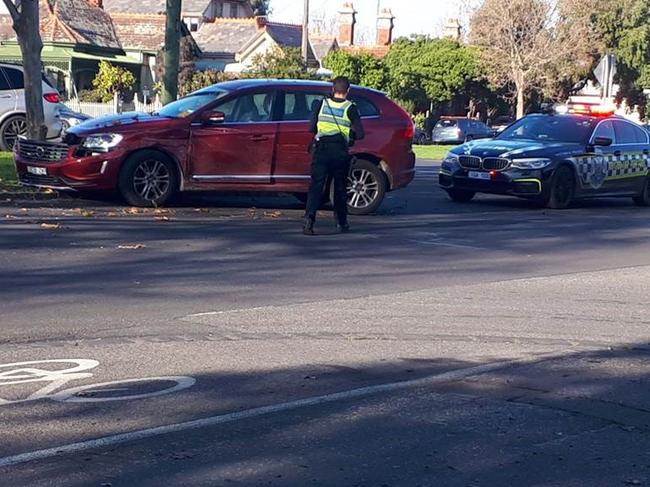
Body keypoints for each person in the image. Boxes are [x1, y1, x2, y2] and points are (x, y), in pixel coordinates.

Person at [303, 76, 365, 236]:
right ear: (348, 91)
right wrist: (348, 134)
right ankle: (341, 223)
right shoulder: (350, 108)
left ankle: (308, 222)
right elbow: (360, 134)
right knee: (339, 188)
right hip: (339, 152)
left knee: (316, 187)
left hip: (321, 150)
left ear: (332, 89)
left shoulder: (321, 104)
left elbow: (311, 127)